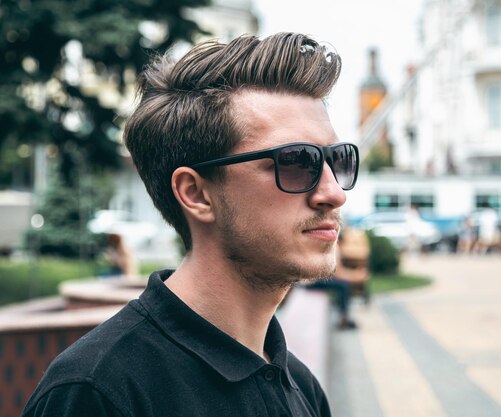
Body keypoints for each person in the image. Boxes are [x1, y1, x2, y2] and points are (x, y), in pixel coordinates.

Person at [22, 33, 359, 417]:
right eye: (297, 161)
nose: (333, 193)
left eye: (338, 159)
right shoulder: (99, 393)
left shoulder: (301, 386)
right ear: (196, 194)